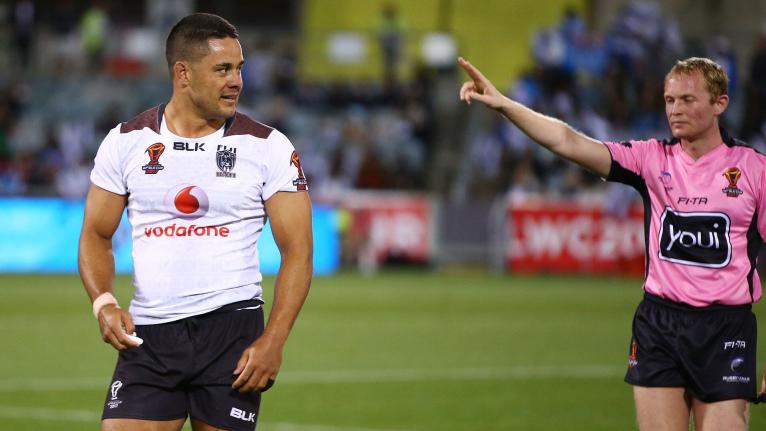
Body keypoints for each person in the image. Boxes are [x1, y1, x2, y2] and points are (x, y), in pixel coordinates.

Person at [459, 55, 766, 430]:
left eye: (688, 99)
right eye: (669, 100)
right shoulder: (651, 158)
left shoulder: (754, 170)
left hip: (726, 330)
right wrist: (505, 105)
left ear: (720, 103)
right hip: (660, 326)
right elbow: (568, 141)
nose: (675, 110)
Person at [78, 13, 312, 431]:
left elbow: (298, 251)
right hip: (149, 335)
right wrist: (105, 303)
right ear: (183, 73)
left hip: (232, 332)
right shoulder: (126, 142)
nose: (236, 81)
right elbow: (96, 234)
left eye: (239, 68)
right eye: (222, 69)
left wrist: (274, 340)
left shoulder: (268, 147)